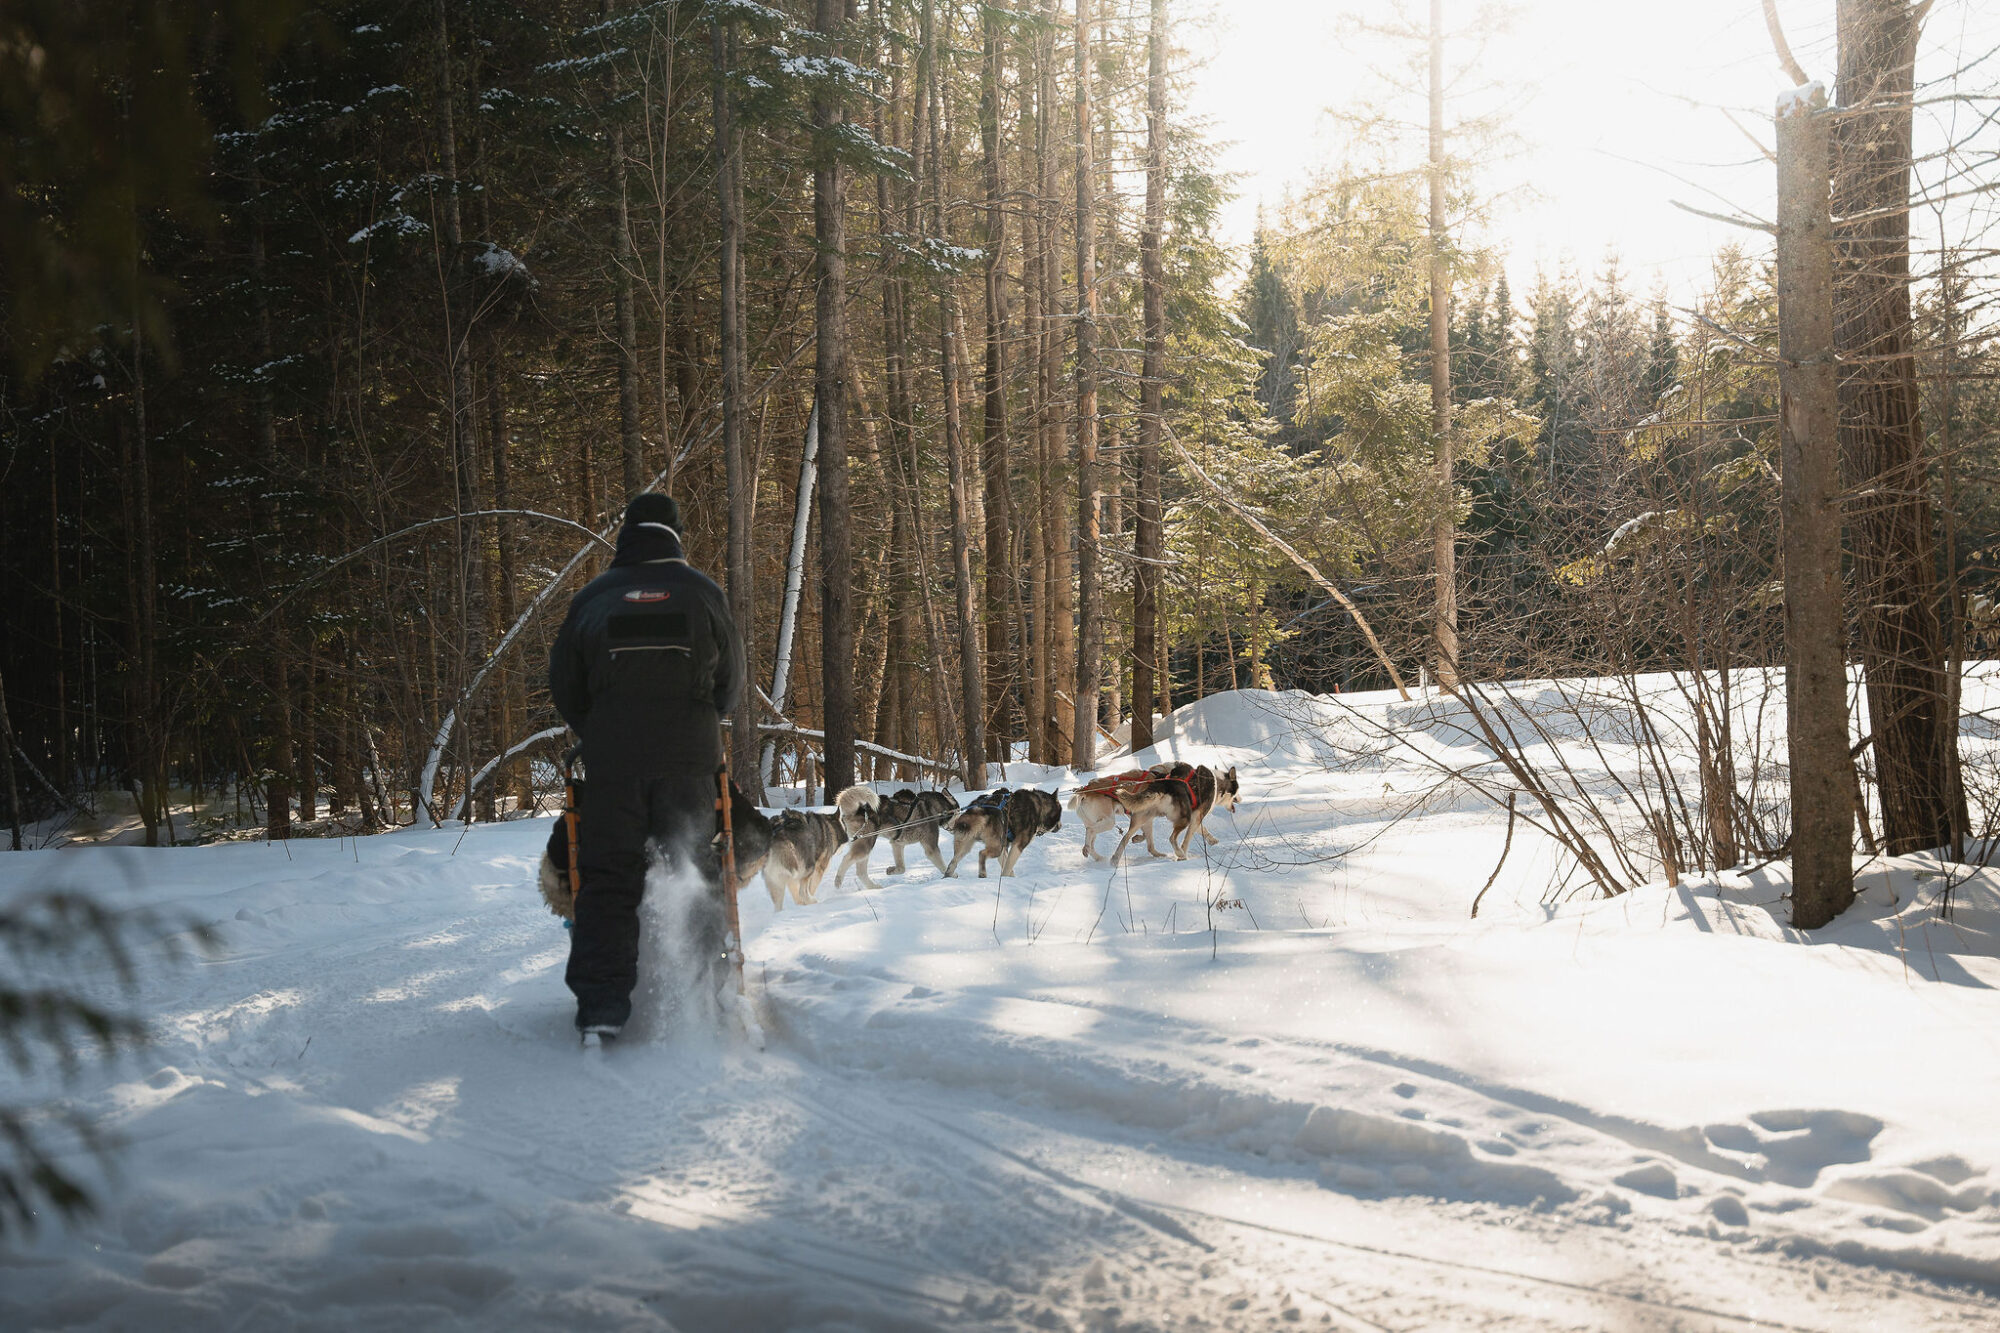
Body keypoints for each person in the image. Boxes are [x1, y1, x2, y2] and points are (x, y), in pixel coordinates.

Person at [548, 493, 745, 1042]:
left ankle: (603, 1010)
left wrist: (602, 729)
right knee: (696, 867)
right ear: (675, 536)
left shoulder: (594, 597)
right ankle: (709, 992)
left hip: (613, 765)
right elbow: (729, 686)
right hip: (688, 761)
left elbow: (565, 685)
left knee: (609, 879)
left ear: (626, 536)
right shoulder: (705, 594)